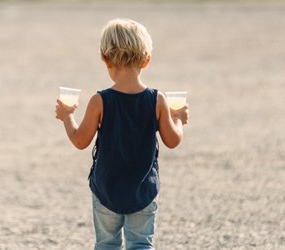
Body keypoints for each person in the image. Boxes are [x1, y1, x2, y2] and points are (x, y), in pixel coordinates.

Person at [55, 18, 189, 250]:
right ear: (146, 60)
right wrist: (178, 119)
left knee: (107, 244)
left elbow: (80, 140)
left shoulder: (100, 101)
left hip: (107, 190)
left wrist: (66, 116)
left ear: (105, 59)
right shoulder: (157, 100)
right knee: (141, 244)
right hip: (142, 190)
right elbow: (173, 140)